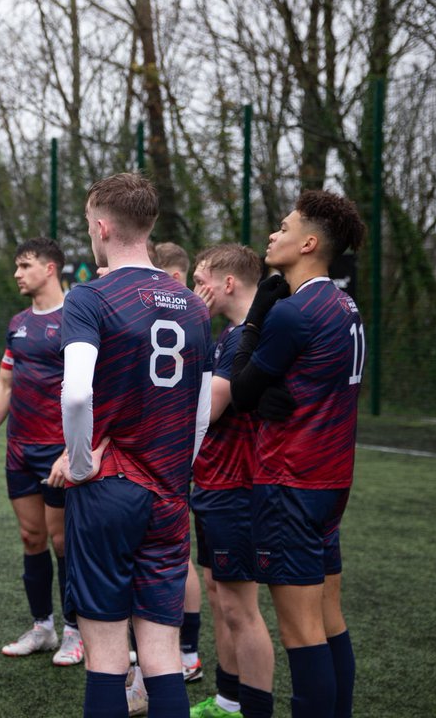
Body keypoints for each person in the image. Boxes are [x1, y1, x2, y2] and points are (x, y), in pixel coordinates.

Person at [48, 172, 212, 717]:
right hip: (169, 488)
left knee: (107, 654)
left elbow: (75, 395)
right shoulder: (192, 306)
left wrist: (75, 464)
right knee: (162, 652)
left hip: (109, 487)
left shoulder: (90, 297)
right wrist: (178, 467)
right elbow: (203, 407)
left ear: (100, 226)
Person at [229, 190, 366, 718]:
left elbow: (240, 392)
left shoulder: (294, 312)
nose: (272, 234)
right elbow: (303, 383)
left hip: (291, 481)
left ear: (309, 242)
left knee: (300, 631)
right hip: (330, 484)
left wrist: (256, 317)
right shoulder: (345, 305)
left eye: (283, 227)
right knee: (330, 619)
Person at [0, 237, 83, 666]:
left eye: (25, 265)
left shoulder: (77, 317)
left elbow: (91, 391)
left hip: (59, 450)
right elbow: (5, 383)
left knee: (61, 542)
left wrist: (72, 450)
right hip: (19, 449)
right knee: (31, 538)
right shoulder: (18, 322)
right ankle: (43, 627)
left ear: (50, 268)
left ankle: (76, 630)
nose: (17, 273)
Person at [189, 245, 280, 718]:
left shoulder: (247, 335)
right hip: (212, 485)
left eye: (200, 279)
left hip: (237, 489)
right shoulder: (228, 336)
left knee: (243, 610)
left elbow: (210, 407)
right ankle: (227, 700)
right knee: (222, 599)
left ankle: (255, 711)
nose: (193, 289)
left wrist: (193, 331)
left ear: (226, 284)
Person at [151, 240, 205, 682]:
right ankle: (182, 652)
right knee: (176, 556)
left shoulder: (184, 312)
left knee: (176, 559)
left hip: (159, 455)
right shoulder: (197, 314)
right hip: (180, 453)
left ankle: (185, 650)